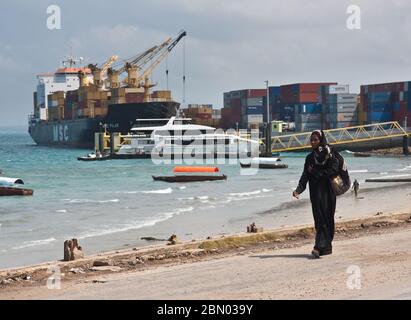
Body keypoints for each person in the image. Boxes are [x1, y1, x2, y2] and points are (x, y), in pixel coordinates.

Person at [293, 130, 340, 259]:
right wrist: (298, 190)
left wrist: (317, 172)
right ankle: (323, 247)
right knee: (319, 220)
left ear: (321, 140)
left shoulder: (330, 154)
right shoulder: (309, 158)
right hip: (315, 194)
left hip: (329, 192)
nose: (313, 142)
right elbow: (305, 176)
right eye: (311, 140)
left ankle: (319, 247)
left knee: (327, 218)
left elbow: (334, 169)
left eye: (316, 139)